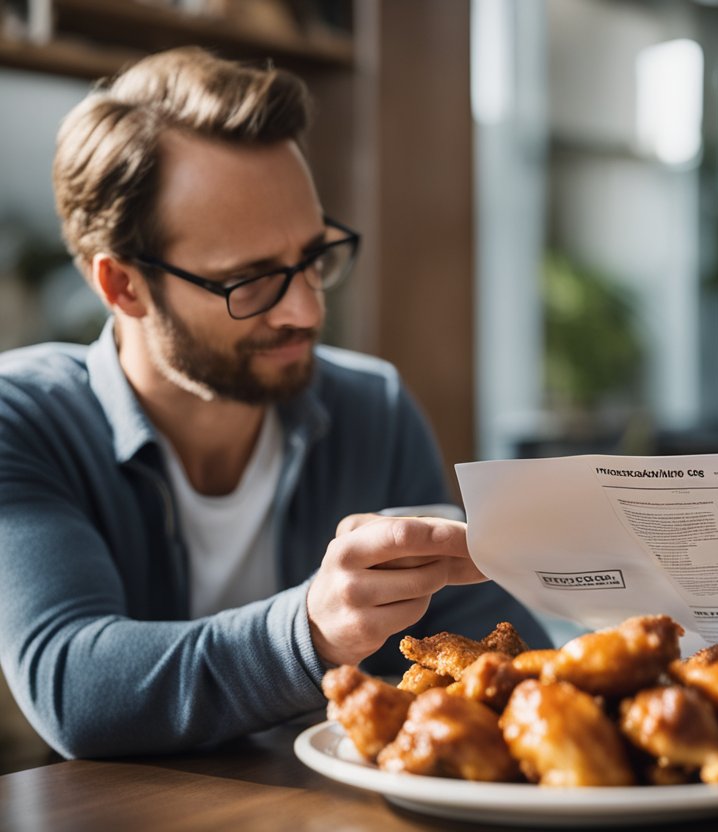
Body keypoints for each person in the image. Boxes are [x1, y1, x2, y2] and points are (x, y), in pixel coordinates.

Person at [0, 46, 548, 759]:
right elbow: (74, 686)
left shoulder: (371, 410)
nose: (306, 311)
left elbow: (501, 659)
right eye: (249, 281)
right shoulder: (25, 418)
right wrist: (311, 631)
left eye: (314, 258)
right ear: (124, 286)